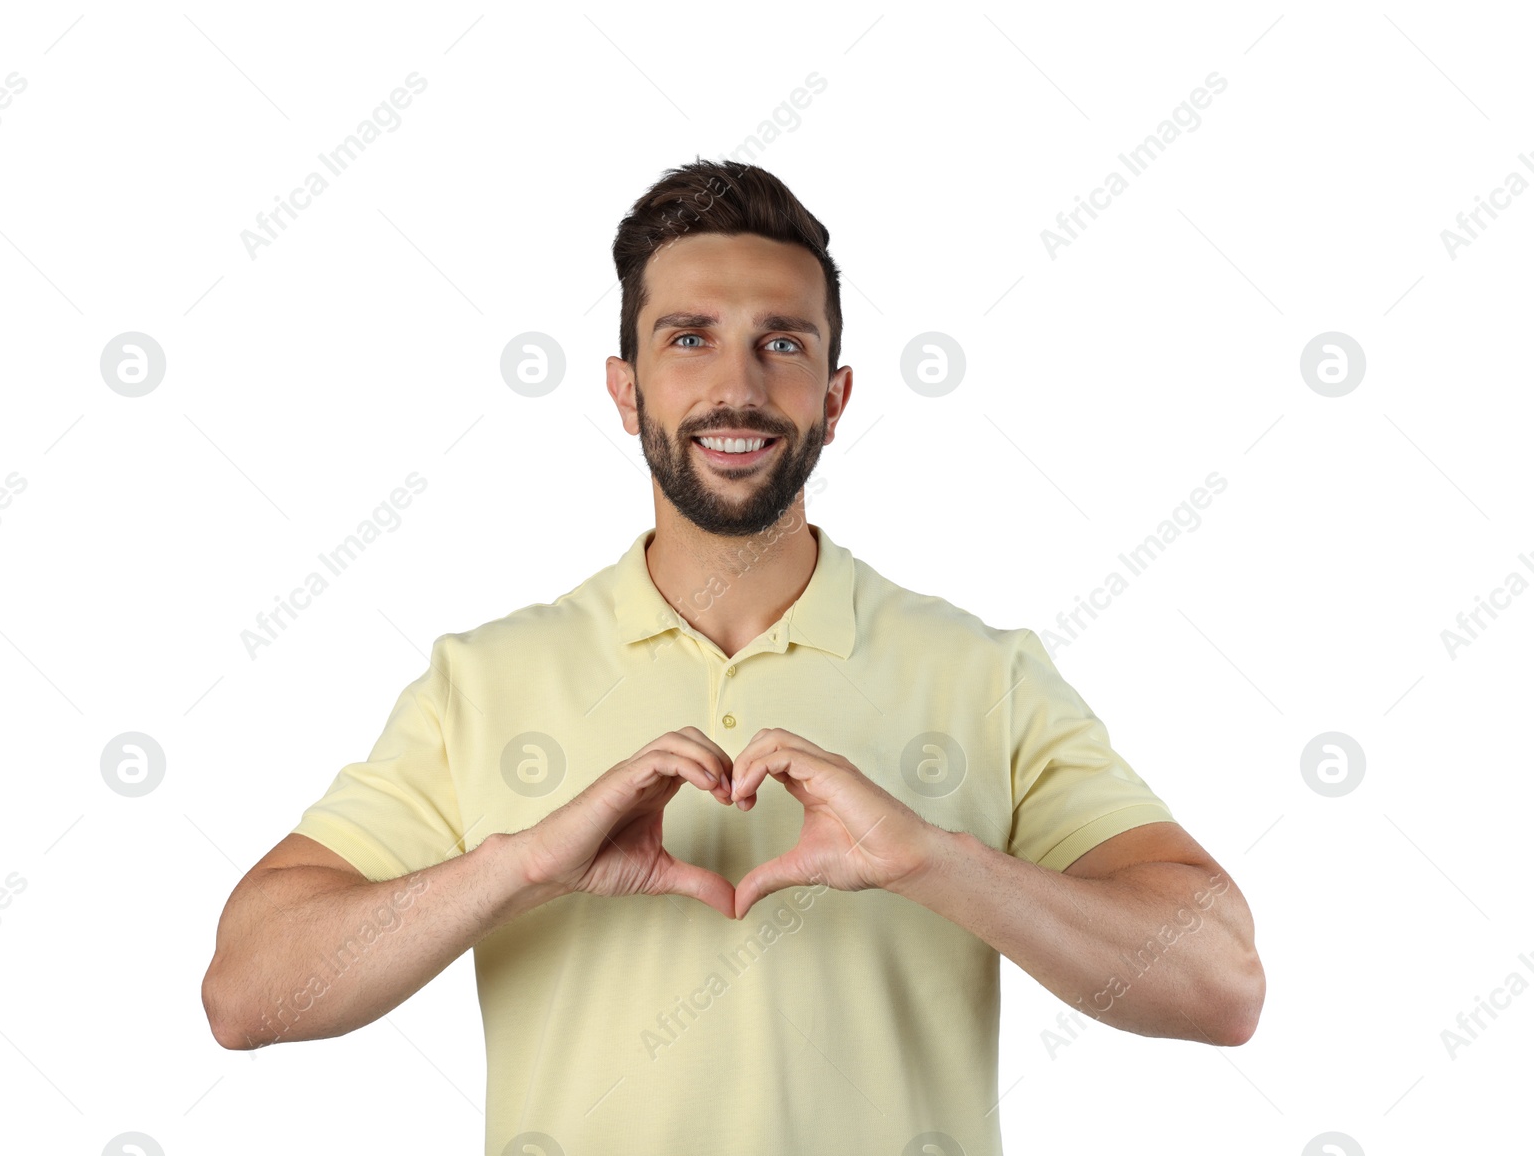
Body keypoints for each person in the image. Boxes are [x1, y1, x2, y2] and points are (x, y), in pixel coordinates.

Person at [201, 159, 1264, 1155]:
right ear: (625, 390)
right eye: (689, 338)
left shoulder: (987, 675)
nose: (739, 385)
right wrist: (521, 866)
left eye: (783, 343)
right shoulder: (478, 683)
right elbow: (247, 993)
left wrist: (934, 863)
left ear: (835, 400)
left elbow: (1221, 985)